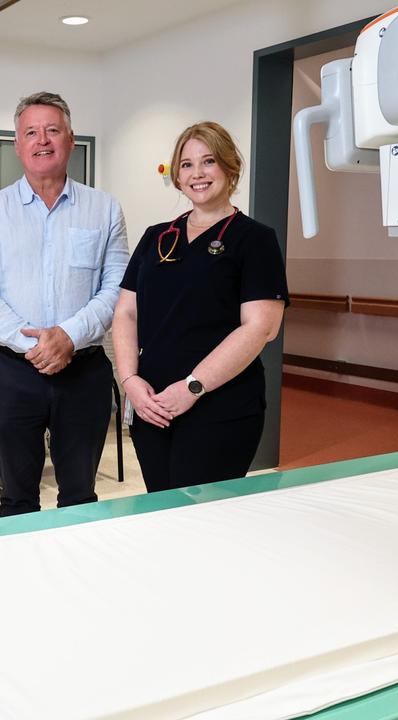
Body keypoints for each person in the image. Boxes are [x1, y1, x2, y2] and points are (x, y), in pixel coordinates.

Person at [0, 91, 128, 516]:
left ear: (70, 140)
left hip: (84, 370)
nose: (43, 140)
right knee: (17, 497)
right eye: (31, 132)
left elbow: (117, 288)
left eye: (53, 130)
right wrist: (33, 344)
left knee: (80, 496)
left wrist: (68, 337)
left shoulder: (104, 209)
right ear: (17, 145)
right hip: (14, 372)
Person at [113, 121, 288, 492]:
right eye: (187, 164)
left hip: (219, 405)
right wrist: (130, 381)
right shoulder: (157, 237)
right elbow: (127, 311)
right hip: (153, 404)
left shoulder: (254, 240)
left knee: (203, 517)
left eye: (208, 161)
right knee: (161, 507)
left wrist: (192, 388)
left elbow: (260, 328)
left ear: (230, 167)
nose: (197, 174)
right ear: (176, 174)